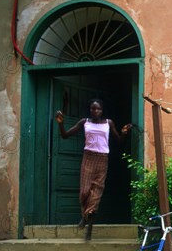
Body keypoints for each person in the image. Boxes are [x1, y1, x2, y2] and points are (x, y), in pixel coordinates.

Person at [55, 98, 132, 240]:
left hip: (102, 159)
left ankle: (89, 228)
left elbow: (119, 141)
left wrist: (124, 132)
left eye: (98, 109)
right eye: (92, 109)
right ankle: (85, 216)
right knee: (84, 191)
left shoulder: (108, 123)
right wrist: (61, 124)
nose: (95, 111)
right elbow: (65, 135)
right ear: (90, 110)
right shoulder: (85, 122)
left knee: (96, 194)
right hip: (88, 158)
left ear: (102, 111)